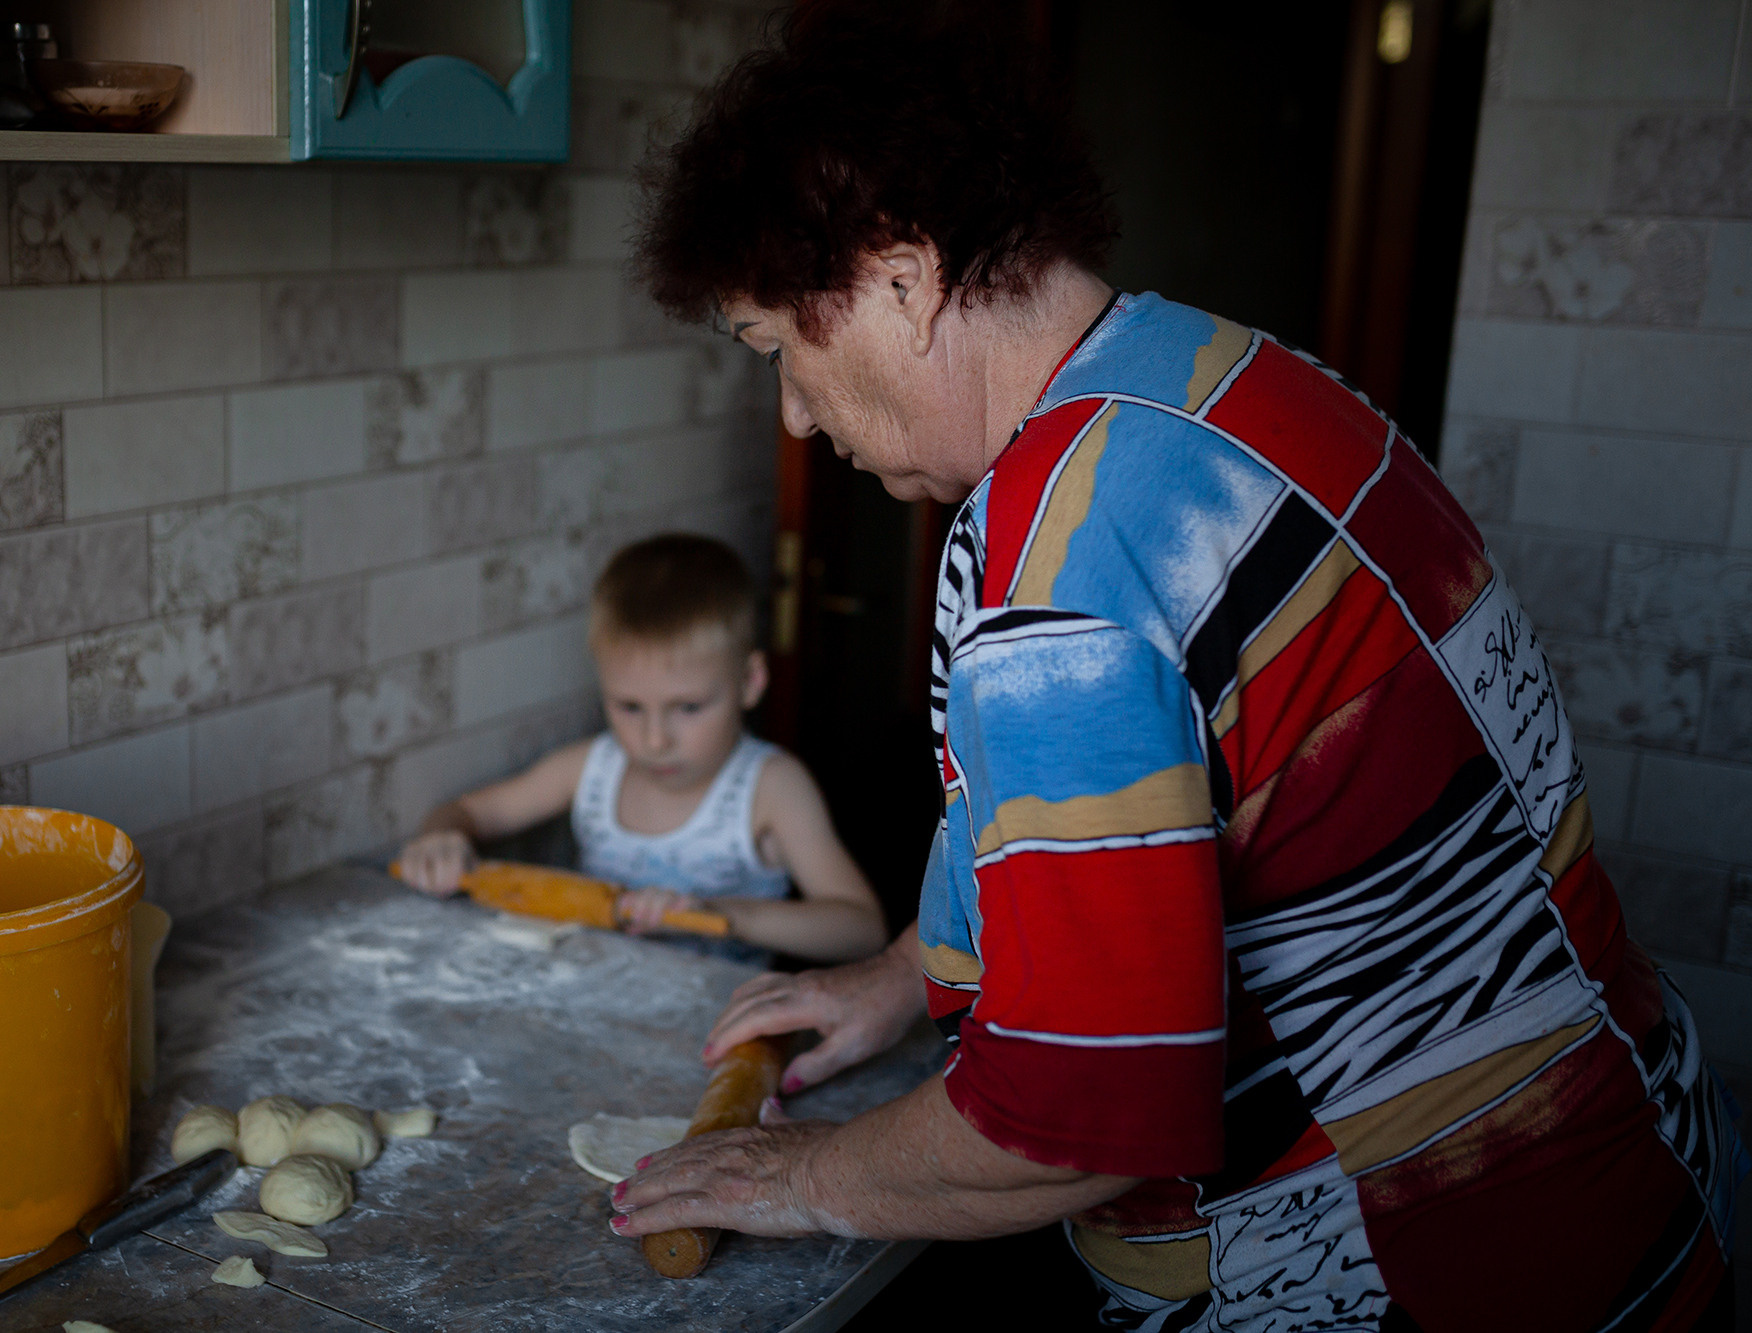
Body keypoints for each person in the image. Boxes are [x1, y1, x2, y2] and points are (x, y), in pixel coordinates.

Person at [606, 4, 1747, 1328]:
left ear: (902, 280)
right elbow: (1162, 842)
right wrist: (899, 974)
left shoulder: (1062, 573)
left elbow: (1081, 1119)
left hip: (1428, 1267)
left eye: (780, 352)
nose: (796, 413)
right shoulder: (1232, 377)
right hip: (1630, 1152)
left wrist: (801, 1175)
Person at [395, 533, 887, 965]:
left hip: (717, 1032)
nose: (654, 740)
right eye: (629, 707)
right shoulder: (592, 769)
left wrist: (724, 914)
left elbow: (860, 929)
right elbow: (465, 812)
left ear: (750, 681)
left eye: (688, 708)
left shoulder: (771, 788)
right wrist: (441, 839)